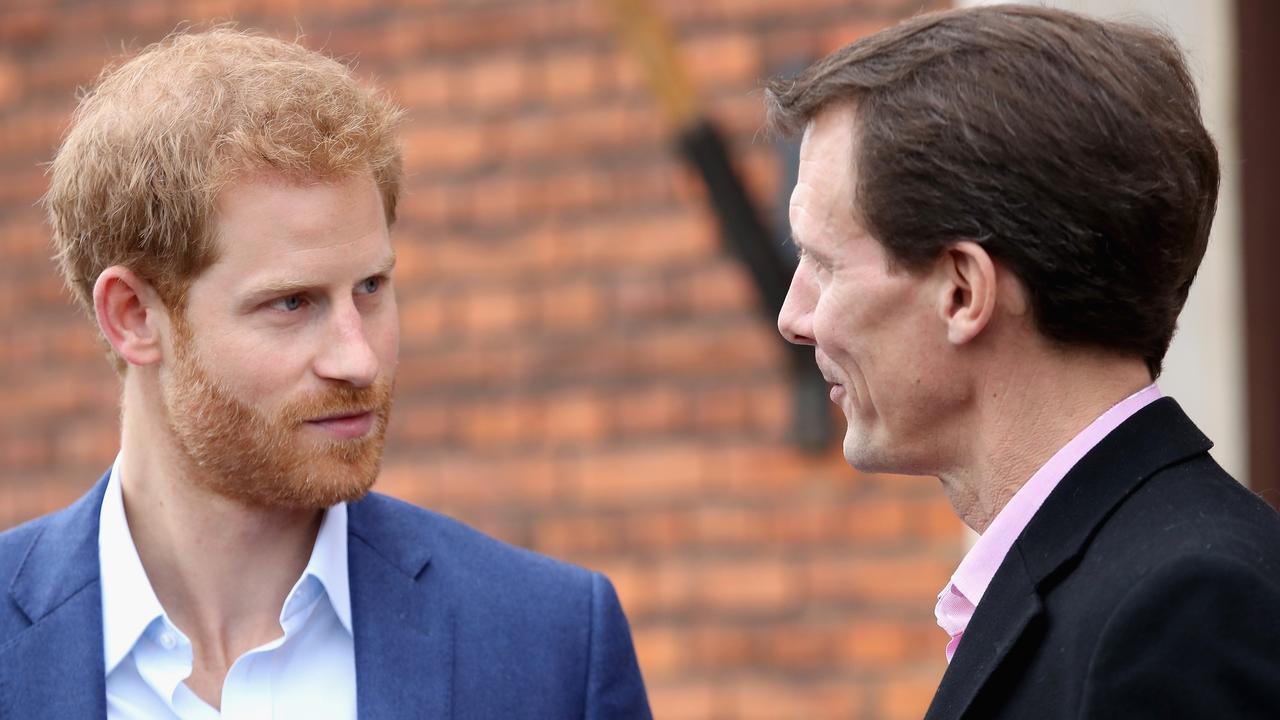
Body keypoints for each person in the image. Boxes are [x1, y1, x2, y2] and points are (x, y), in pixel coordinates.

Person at [0, 29, 651, 719]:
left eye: (371, 287)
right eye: (292, 302)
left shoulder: (548, 646)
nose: (358, 358)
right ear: (132, 315)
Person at [768, 4, 1280, 718]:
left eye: (823, 265)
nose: (795, 318)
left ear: (962, 290)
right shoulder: (1123, 578)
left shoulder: (1182, 609)